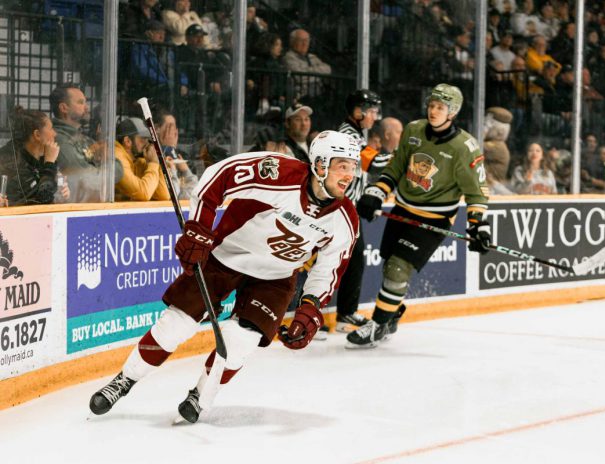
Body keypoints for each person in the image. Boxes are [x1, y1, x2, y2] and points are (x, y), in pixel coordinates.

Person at [89, 131, 361, 423]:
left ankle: (201, 395)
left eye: (353, 166)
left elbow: (328, 271)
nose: (350, 174)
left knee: (239, 341)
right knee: (176, 323)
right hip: (226, 256)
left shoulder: (345, 220)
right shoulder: (278, 173)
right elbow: (219, 176)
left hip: (275, 278)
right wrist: (199, 228)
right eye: (342, 165)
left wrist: (310, 309)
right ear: (320, 164)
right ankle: (125, 379)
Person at [347, 83, 490, 348]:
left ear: (453, 112)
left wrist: (478, 226)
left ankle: (377, 325)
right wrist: (376, 193)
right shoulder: (413, 130)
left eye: (440, 107)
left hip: (433, 220)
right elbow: (396, 167)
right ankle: (391, 315)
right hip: (403, 209)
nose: (433, 111)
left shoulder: (465, 147)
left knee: (397, 267)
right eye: (432, 105)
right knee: (389, 263)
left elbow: (477, 193)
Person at [333, 89, 390, 333]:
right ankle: (344, 313)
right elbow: (374, 162)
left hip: (346, 208)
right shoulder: (348, 135)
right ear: (358, 111)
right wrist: (402, 158)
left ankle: (344, 312)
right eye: (372, 111)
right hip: (339, 209)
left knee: (351, 260)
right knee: (351, 260)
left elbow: (360, 174)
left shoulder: (354, 134)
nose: (375, 117)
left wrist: (366, 197)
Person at [50, 84, 123, 202]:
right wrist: (104, 160)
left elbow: (119, 171)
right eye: (80, 102)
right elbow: (86, 179)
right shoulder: (59, 140)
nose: (87, 107)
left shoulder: (83, 138)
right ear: (64, 108)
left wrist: (102, 162)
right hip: (73, 211)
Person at [0, 107, 70, 206]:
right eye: (51, 128)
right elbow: (41, 200)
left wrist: (61, 191)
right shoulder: (12, 161)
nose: (55, 133)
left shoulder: (40, 158)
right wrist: (49, 163)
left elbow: (48, 192)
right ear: (37, 135)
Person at [114, 117, 169, 201]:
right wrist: (153, 163)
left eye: (148, 139)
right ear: (127, 141)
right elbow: (143, 194)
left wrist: (158, 163)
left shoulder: (138, 160)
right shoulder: (117, 158)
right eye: (143, 139)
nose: (147, 143)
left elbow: (164, 194)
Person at [153, 109, 198, 200]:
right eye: (169, 127)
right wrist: (168, 149)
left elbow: (193, 193)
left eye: (174, 127)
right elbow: (172, 194)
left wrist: (170, 150)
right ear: (156, 129)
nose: (173, 132)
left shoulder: (182, 157)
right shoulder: (151, 157)